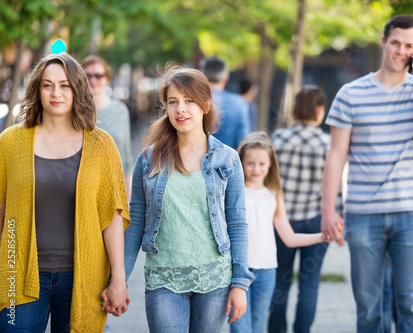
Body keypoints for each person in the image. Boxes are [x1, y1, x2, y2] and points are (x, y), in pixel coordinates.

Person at [322, 15, 413, 332]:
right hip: (363, 214)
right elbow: (336, 155)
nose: (401, 51)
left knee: (412, 308)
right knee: (368, 310)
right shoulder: (351, 94)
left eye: (409, 46)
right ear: (383, 42)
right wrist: (328, 210)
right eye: (395, 43)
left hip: (410, 213)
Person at [0, 53, 130, 332]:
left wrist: (118, 278)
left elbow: (112, 216)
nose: (55, 93)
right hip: (16, 275)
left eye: (65, 85)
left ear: (77, 89)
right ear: (37, 89)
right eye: (47, 85)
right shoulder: (10, 142)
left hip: (81, 277)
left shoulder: (101, 145)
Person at [124, 64, 254, 332]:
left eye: (189, 101)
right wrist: (119, 280)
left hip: (215, 280)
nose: (180, 109)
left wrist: (240, 284)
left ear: (206, 105)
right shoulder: (148, 160)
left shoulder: (227, 159)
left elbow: (238, 223)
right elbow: (135, 222)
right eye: (173, 102)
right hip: (163, 279)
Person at [231, 131, 329, 333]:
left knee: (258, 326)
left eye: (261, 164)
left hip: (267, 270)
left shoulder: (274, 195)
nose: (256, 169)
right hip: (237, 270)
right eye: (250, 163)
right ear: (241, 162)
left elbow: (289, 237)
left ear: (270, 165)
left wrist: (322, 235)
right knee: (240, 327)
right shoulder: (233, 191)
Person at [268, 85, 343, 333]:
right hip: (315, 223)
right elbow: (335, 188)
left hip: (280, 222)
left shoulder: (276, 140)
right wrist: (339, 222)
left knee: (279, 282)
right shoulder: (327, 143)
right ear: (320, 110)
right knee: (309, 285)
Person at [82, 55, 133, 199]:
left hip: (115, 192)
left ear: (107, 78)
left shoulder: (120, 110)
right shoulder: (75, 112)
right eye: (88, 75)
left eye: (98, 75)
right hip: (84, 192)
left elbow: (126, 158)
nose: (93, 80)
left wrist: (128, 198)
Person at [201, 57, 250, 149]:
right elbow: (243, 141)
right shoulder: (239, 103)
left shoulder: (194, 100)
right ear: (226, 78)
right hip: (229, 161)